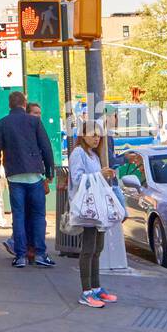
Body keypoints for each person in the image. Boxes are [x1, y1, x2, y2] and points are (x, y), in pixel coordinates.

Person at [0, 92, 55, 269]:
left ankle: (20, 256)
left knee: (18, 215)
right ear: (24, 104)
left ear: (10, 105)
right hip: (34, 175)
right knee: (39, 215)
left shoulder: (2, 123)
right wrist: (49, 170)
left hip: (14, 175)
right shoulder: (34, 122)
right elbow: (46, 147)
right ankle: (40, 254)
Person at [68, 127, 119, 309]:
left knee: (98, 248)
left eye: (99, 135)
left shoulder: (93, 155)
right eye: (93, 134)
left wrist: (104, 175)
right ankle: (86, 291)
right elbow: (77, 179)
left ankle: (95, 287)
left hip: (97, 207)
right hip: (88, 207)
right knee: (88, 248)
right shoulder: (78, 153)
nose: (97, 138)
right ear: (83, 135)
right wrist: (100, 175)